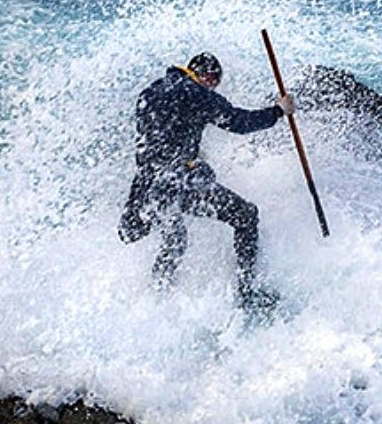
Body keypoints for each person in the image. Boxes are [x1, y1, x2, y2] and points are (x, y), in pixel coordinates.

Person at [118, 52, 295, 311]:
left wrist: (190, 154)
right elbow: (239, 122)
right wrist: (278, 111)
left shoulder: (153, 90)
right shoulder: (196, 94)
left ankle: (157, 299)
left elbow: (162, 135)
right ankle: (247, 295)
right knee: (246, 215)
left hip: (146, 185)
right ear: (209, 78)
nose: (213, 89)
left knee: (175, 239)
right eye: (214, 83)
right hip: (174, 182)